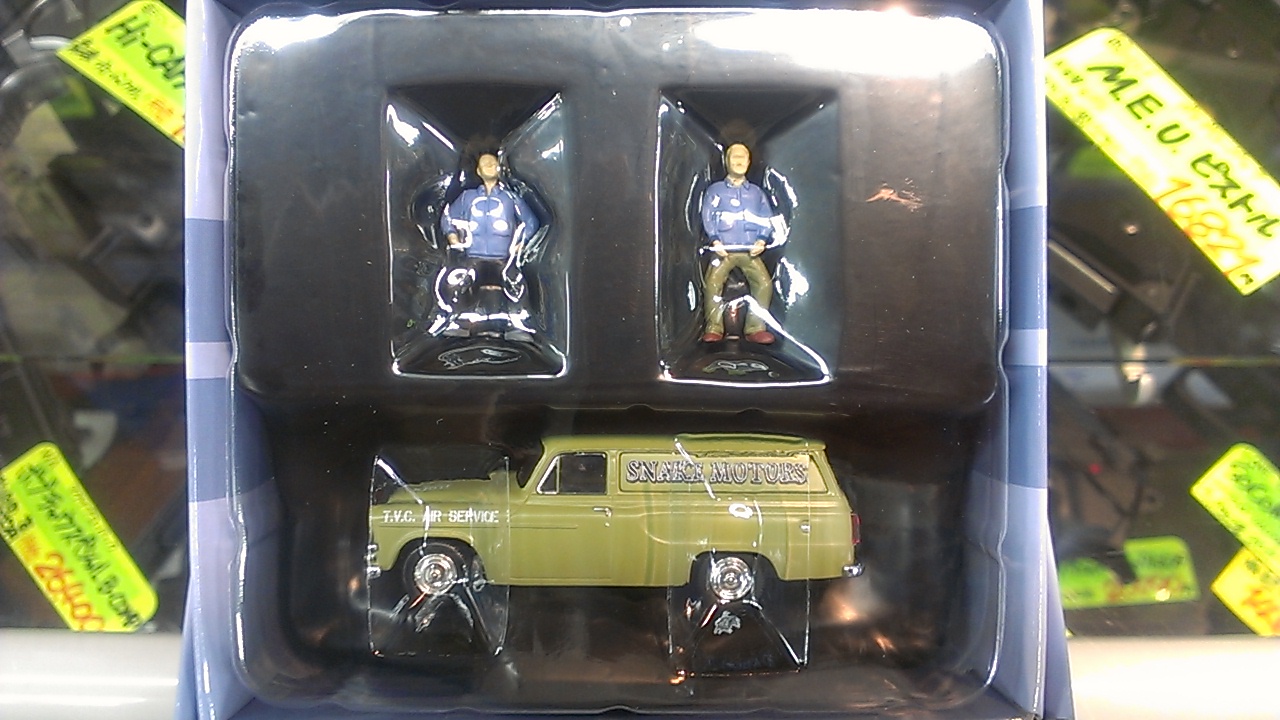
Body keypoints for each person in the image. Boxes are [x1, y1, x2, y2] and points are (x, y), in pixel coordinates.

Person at [438, 153, 540, 336]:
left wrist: (521, 243)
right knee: (459, 282)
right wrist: (452, 235)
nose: (490, 166)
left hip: (503, 257)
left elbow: (531, 222)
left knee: (516, 285)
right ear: (478, 170)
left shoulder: (510, 198)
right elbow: (447, 217)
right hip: (473, 256)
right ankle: (459, 321)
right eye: (485, 164)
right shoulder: (467, 197)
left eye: (493, 163)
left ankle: (518, 323)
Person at [700, 143, 777, 344]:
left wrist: (762, 239)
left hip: (749, 250)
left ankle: (755, 327)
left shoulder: (756, 193)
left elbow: (766, 217)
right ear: (727, 161)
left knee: (764, 284)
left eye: (743, 157)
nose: (739, 161)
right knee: (712, 284)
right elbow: (707, 215)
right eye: (735, 157)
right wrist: (714, 239)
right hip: (724, 250)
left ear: (749, 162)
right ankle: (714, 328)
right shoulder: (716, 191)